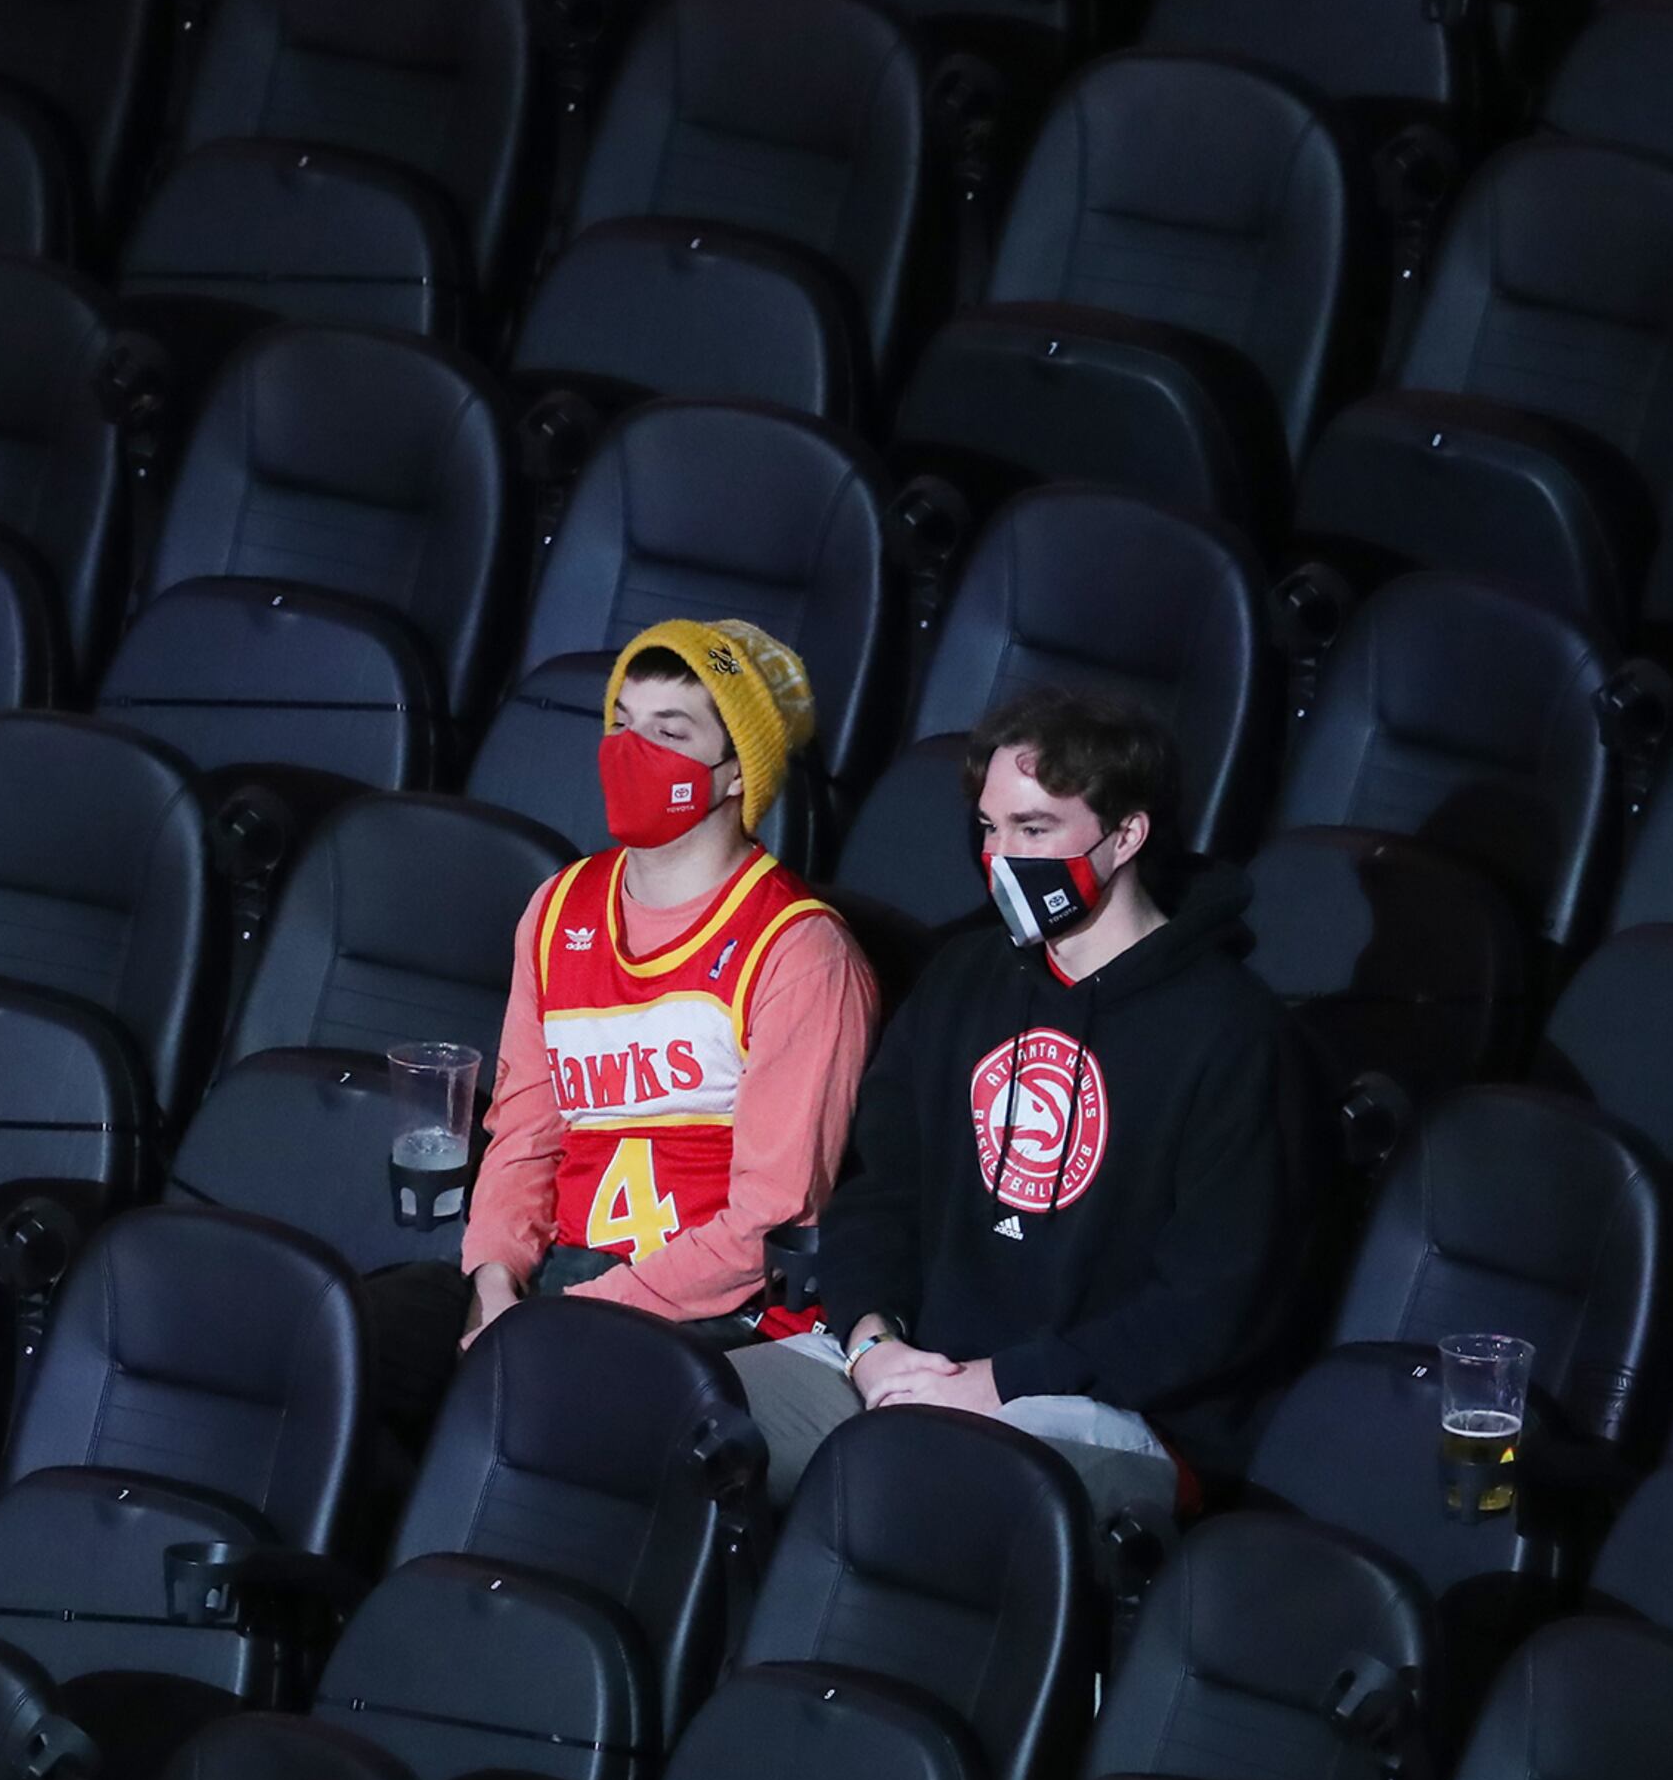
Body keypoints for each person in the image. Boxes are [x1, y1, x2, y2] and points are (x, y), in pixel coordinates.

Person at [730, 685, 1311, 1530]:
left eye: (1034, 830)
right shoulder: (963, 978)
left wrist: (997, 1382)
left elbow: (1211, 1307)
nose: (1002, 858)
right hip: (904, 1368)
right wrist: (871, 1343)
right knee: (678, 1414)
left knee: (925, 1487)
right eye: (991, 829)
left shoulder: (1234, 1036)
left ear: (1127, 835)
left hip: (1113, 1414)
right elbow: (880, 1191)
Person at [359, 620, 879, 1446]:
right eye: (621, 725)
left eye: (669, 733)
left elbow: (768, 1221)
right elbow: (525, 1128)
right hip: (551, 1279)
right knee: (348, 1349)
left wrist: (567, 1319)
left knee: (539, 1418)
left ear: (737, 769)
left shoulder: (802, 951)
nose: (631, 751)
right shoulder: (558, 906)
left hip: (705, 1315)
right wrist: (495, 1281)